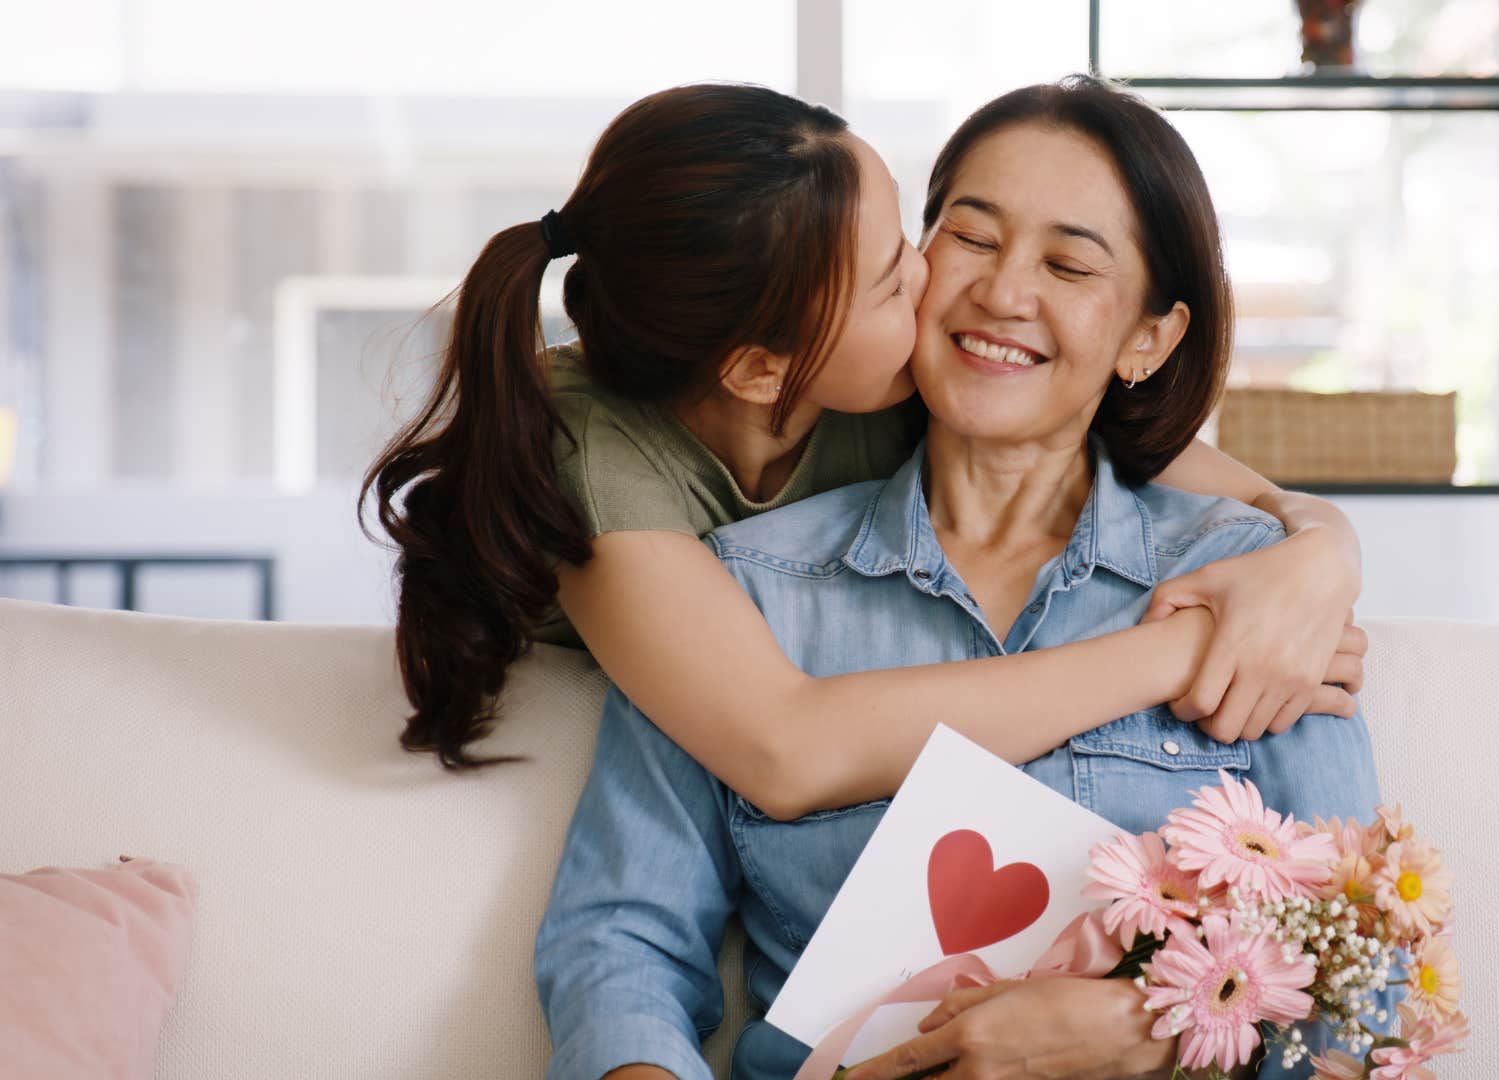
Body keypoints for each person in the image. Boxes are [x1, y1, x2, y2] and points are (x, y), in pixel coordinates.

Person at [535, 77, 1386, 1080]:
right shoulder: (736, 590)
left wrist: (1151, 1040)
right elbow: (620, 947)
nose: (1002, 293)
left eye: (1069, 263)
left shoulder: (1254, 594)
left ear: (1148, 339)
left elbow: (1366, 1001)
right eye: (970, 239)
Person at [362, 83, 1371, 822]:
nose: (950, 284)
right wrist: (1193, 647)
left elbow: (1129, 440)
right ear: (764, 370)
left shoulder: (876, 377)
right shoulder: (589, 454)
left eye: (912, 241)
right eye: (900, 277)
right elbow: (785, 748)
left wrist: (1316, 546)